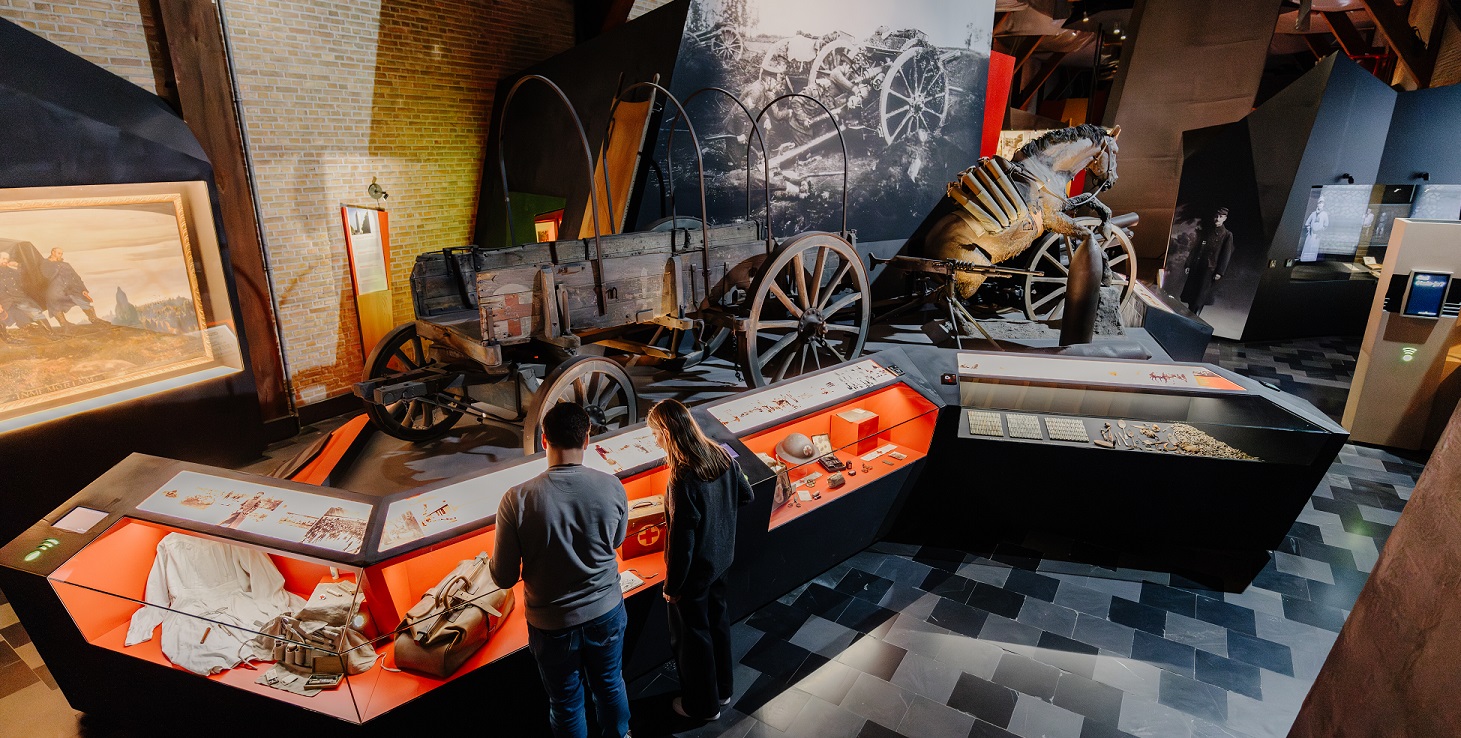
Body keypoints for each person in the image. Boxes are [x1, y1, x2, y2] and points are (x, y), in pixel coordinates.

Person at [490, 403, 631, 738]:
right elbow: (616, 540)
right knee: (610, 684)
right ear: (586, 438)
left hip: (551, 624)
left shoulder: (516, 499)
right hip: (606, 610)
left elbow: (505, 577)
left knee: (566, 702)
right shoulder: (612, 486)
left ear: (543, 440)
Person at [647, 399, 754, 722]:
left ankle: (702, 706)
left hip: (694, 573)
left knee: (693, 640)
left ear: (667, 432)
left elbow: (682, 541)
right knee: (718, 625)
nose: (654, 440)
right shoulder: (719, 454)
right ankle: (723, 690)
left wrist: (672, 586)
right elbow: (746, 495)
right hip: (722, 560)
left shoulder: (682, 476)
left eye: (654, 434)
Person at [1181, 207, 1235, 315]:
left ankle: (1194, 316)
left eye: (1220, 217)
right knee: (1192, 293)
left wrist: (1220, 271)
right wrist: (1188, 263)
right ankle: (1189, 314)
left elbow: (1226, 255)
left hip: (1209, 268)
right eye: (1216, 216)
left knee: (1201, 296)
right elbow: (1195, 248)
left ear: (1225, 218)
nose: (1217, 219)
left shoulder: (1227, 235)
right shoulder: (1206, 230)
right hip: (1197, 265)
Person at [1299, 195, 1328, 261]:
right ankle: (1304, 259)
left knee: (1314, 248)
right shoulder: (1313, 214)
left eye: (1322, 203)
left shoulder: (1324, 214)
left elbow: (1326, 225)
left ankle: (1311, 259)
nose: (1320, 205)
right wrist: (1309, 230)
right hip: (1310, 234)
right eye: (1319, 203)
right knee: (1307, 246)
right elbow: (1307, 223)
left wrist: (1320, 232)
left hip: (1317, 235)